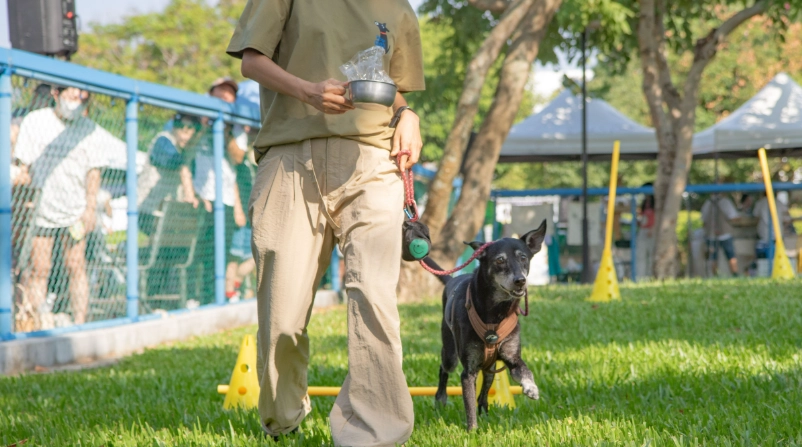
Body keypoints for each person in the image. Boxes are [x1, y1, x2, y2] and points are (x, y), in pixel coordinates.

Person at [226, 1, 425, 445]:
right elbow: (252, 61)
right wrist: (306, 91)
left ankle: (374, 433)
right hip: (290, 157)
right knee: (282, 310)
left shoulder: (400, 10)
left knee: (373, 294)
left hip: (373, 160)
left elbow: (391, 89)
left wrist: (407, 115)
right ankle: (284, 419)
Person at [13, 86, 125, 329]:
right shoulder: (36, 121)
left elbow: (93, 171)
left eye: (83, 94)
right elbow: (23, 166)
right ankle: (38, 322)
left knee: (76, 265)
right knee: (38, 269)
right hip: (41, 210)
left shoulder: (89, 129)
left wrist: (90, 207)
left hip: (75, 210)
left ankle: (80, 323)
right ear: (56, 92)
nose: (78, 98)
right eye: (73, 92)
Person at [193, 78, 248, 302]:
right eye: (221, 90)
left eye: (230, 92)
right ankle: (196, 296)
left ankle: (213, 297)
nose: (226, 95)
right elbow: (186, 147)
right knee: (198, 250)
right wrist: (204, 124)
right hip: (200, 196)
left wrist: (224, 130)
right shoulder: (196, 117)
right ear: (211, 92)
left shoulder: (237, 126)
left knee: (221, 252)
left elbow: (237, 158)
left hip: (224, 199)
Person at [137, 113, 201, 235]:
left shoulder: (187, 150)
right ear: (174, 127)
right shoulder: (163, 140)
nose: (186, 134)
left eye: (190, 129)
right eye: (182, 128)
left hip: (168, 211)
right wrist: (188, 190)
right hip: (148, 209)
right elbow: (174, 160)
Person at [701, 193, 743, 276]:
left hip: (711, 235)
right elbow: (733, 217)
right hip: (725, 234)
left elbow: (704, 221)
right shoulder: (725, 202)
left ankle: (714, 276)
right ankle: (735, 275)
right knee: (731, 256)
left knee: (713, 257)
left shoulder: (707, 203)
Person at [752, 191, 793, 259]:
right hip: (777, 235)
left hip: (763, 235)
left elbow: (755, 218)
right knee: (778, 258)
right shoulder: (778, 202)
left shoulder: (760, 203)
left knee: (763, 260)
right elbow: (788, 217)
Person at [636, 188, 656, 281]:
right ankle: (641, 277)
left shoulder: (655, 204)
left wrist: (652, 229)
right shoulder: (644, 204)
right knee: (641, 255)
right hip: (643, 230)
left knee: (651, 255)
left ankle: (650, 276)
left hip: (651, 231)